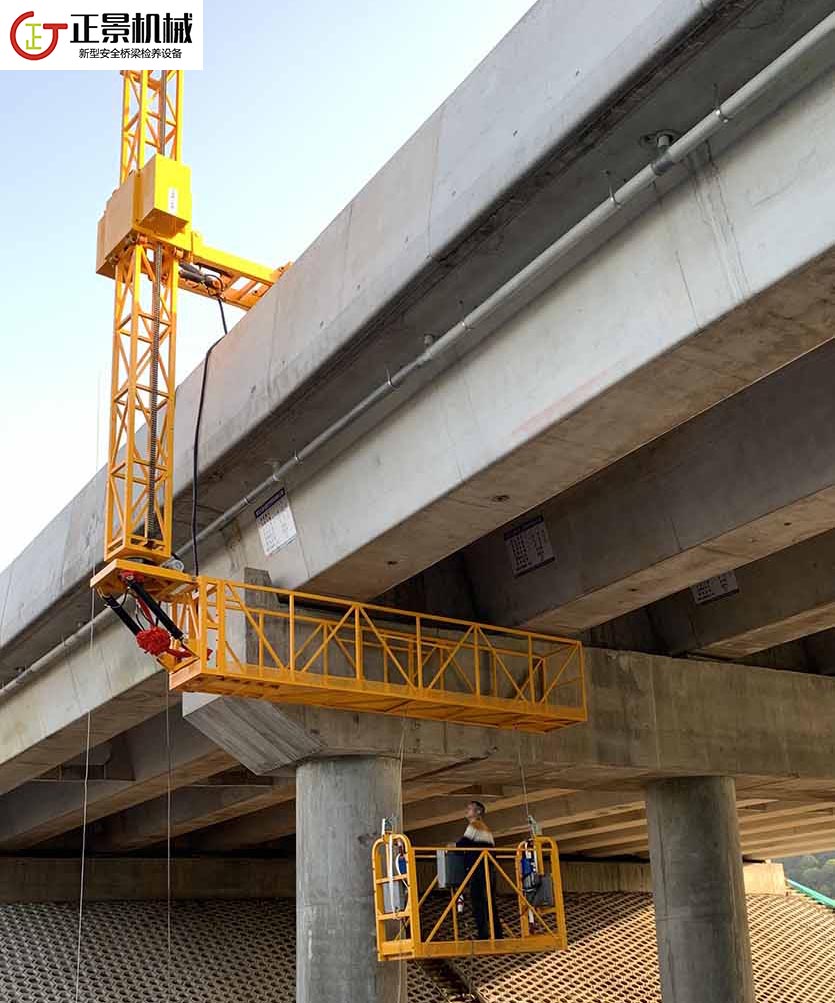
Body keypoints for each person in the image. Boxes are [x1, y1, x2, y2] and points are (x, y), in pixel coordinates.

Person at [455, 800, 503, 940]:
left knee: (478, 902)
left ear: (477, 812)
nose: (466, 811)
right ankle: (497, 933)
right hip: (488, 868)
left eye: (469, 809)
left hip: (479, 870)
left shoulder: (475, 825)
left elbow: (463, 844)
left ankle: (483, 934)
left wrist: (452, 846)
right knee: (489, 902)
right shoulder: (485, 828)